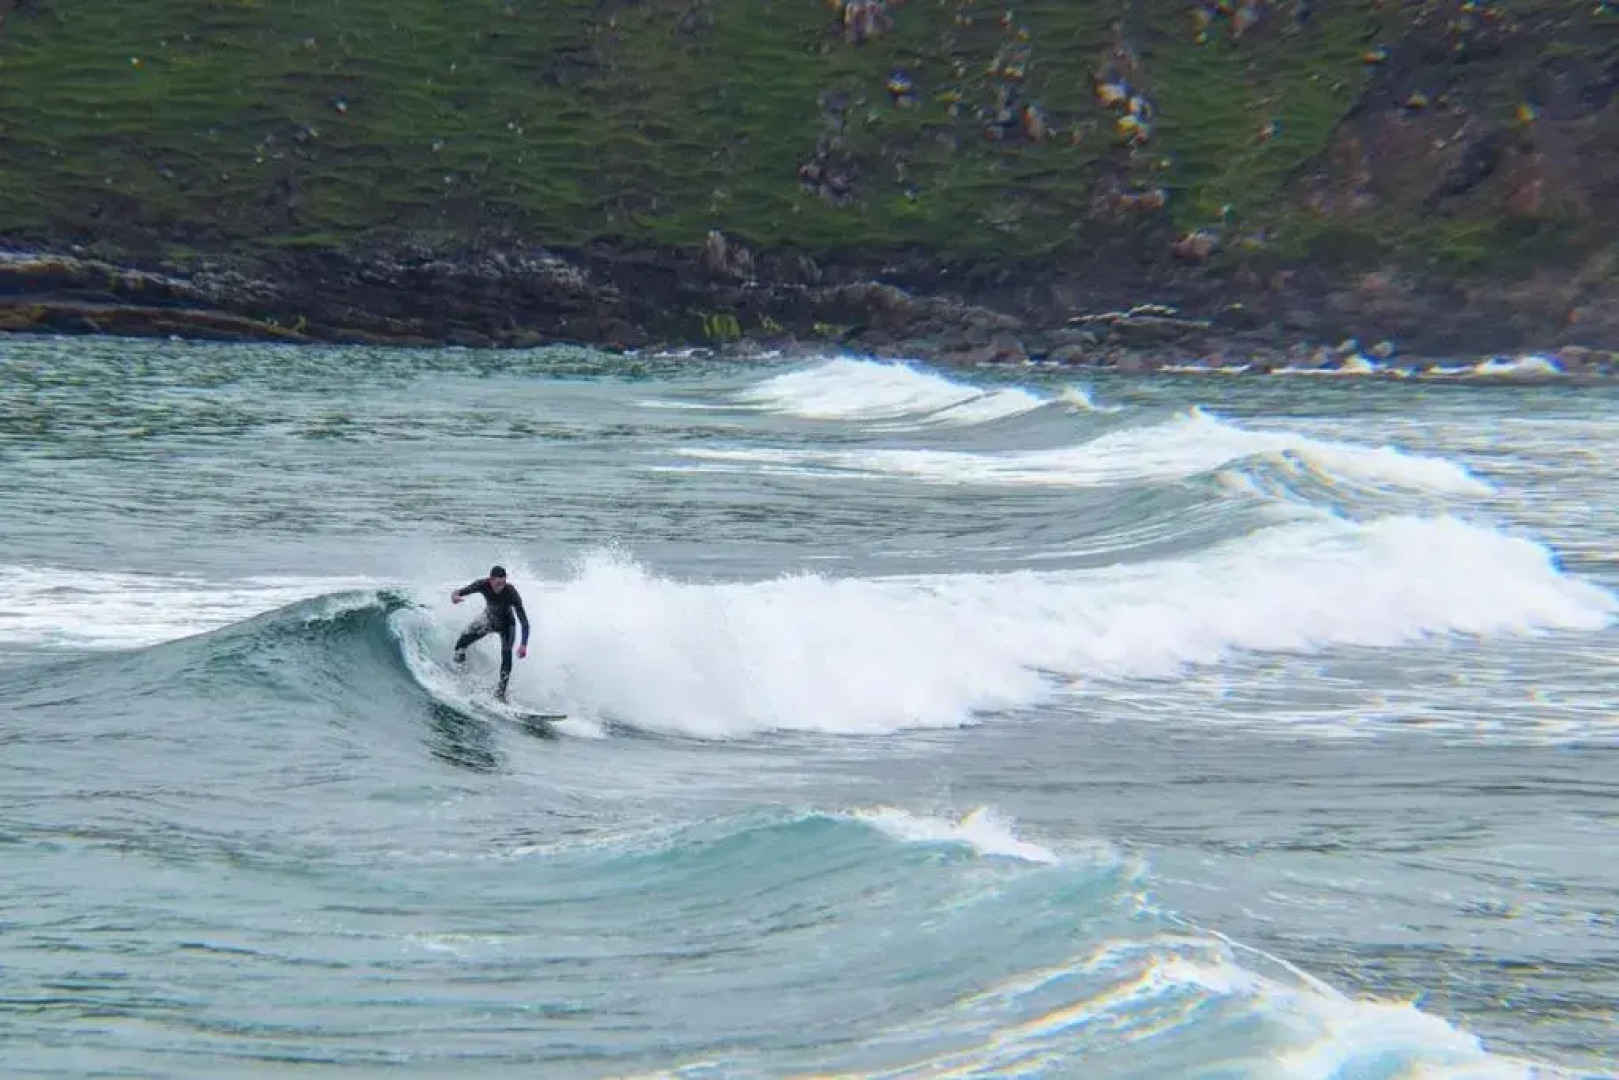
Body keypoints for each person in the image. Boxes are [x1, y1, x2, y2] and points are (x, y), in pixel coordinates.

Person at [450, 565, 530, 701]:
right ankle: (460, 674)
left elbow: (524, 622)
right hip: (488, 620)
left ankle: (500, 693)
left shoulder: (511, 592)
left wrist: (523, 645)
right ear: (491, 579)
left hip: (507, 626)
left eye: (503, 583)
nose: (501, 587)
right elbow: (458, 592)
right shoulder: (482, 584)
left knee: (507, 655)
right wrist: (454, 596)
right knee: (461, 643)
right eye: (498, 583)